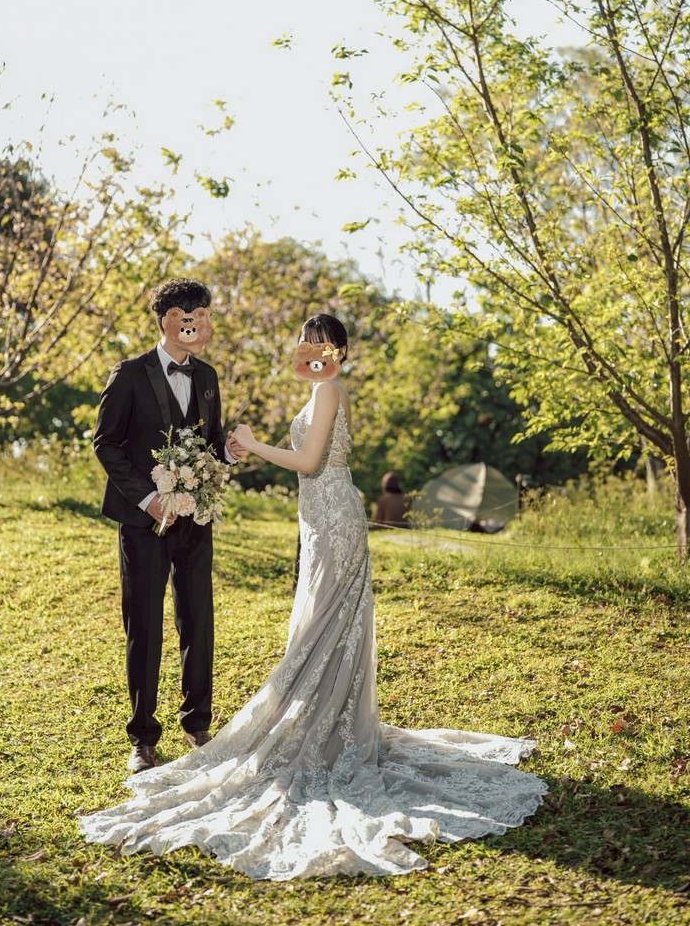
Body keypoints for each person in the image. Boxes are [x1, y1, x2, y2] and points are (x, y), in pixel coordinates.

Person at [80, 313, 545, 879]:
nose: (313, 351)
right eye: (307, 343)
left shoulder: (328, 391)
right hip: (320, 521)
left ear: (341, 352)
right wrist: (235, 449)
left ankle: (322, 732)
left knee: (322, 629)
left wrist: (255, 444)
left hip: (334, 522)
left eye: (324, 344)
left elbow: (308, 461)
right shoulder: (321, 390)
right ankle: (322, 724)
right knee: (322, 628)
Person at [93, 278, 244, 775]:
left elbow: (210, 440)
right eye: (188, 315)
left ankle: (198, 724)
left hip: (195, 520)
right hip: (143, 521)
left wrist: (228, 453)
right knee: (144, 624)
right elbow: (105, 444)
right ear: (166, 321)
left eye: (203, 315)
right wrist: (149, 499)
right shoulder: (129, 374)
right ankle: (142, 738)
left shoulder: (208, 376)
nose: (197, 323)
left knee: (198, 618)